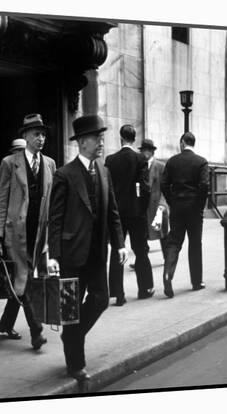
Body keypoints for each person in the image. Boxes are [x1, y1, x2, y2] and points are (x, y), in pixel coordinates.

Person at [48, 114, 127, 382]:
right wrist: (54, 255)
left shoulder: (104, 171)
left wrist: (120, 244)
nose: (102, 142)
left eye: (102, 137)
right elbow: (55, 219)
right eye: (97, 138)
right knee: (70, 310)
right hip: (71, 255)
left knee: (101, 300)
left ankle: (72, 335)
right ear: (82, 142)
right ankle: (75, 364)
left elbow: (113, 211)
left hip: (97, 254)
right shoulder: (64, 175)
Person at [0, 114, 56, 350]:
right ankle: (36, 332)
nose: (41, 138)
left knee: (23, 279)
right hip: (15, 234)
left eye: (43, 134)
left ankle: (6, 323)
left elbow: (52, 203)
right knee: (26, 280)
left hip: (39, 235)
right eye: (36, 134)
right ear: (25, 136)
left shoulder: (49, 164)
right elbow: (0, 201)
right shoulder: (10, 163)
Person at [105, 125, 153, 304]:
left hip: (117, 212)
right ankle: (144, 288)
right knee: (140, 250)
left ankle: (118, 293)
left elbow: (106, 187)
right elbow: (146, 188)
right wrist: (142, 208)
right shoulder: (140, 159)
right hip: (136, 212)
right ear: (134, 138)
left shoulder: (110, 160)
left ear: (120, 138)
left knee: (118, 250)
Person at [160, 132, 209, 298]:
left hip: (178, 207)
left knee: (174, 242)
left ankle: (168, 274)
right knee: (195, 243)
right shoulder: (201, 162)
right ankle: (196, 282)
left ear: (182, 143)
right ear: (193, 144)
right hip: (194, 208)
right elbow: (204, 185)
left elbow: (163, 183)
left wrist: (172, 201)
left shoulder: (172, 161)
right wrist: (199, 205)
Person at [139, 139, 169, 262]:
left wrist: (162, 205)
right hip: (144, 207)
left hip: (158, 206)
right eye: (143, 150)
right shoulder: (140, 165)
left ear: (152, 151)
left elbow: (166, 187)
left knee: (163, 234)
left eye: (147, 150)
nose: (144, 153)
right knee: (142, 235)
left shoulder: (161, 166)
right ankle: (141, 260)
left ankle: (167, 259)